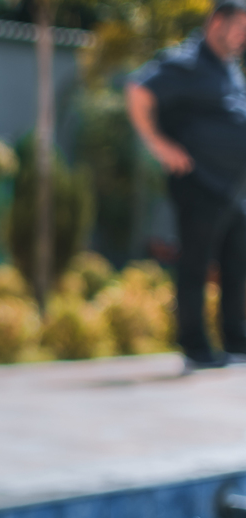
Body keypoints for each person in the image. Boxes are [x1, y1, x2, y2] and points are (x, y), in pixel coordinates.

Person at [126, 0, 246, 370]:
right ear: (216, 22)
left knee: (236, 263)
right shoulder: (186, 62)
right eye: (240, 27)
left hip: (231, 188)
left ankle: (235, 338)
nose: (243, 37)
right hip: (199, 183)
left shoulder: (227, 68)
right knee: (195, 265)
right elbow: (138, 90)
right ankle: (195, 346)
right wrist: (158, 144)